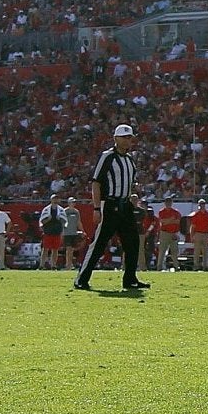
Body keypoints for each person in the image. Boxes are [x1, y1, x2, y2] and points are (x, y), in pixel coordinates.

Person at [73, 124, 147, 293]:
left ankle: (130, 279)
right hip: (110, 204)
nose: (128, 141)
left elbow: (130, 183)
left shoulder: (129, 160)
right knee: (99, 243)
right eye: (125, 137)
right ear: (116, 139)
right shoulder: (107, 157)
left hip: (125, 204)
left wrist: (133, 193)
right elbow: (96, 183)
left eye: (130, 137)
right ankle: (81, 279)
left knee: (132, 242)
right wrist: (97, 208)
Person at [188, 199, 208, 271]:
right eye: (200, 204)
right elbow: (193, 226)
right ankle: (196, 266)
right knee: (196, 251)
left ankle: (205, 266)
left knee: (205, 252)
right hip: (198, 234)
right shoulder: (196, 215)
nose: (202, 205)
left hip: (206, 234)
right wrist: (192, 236)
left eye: (203, 204)